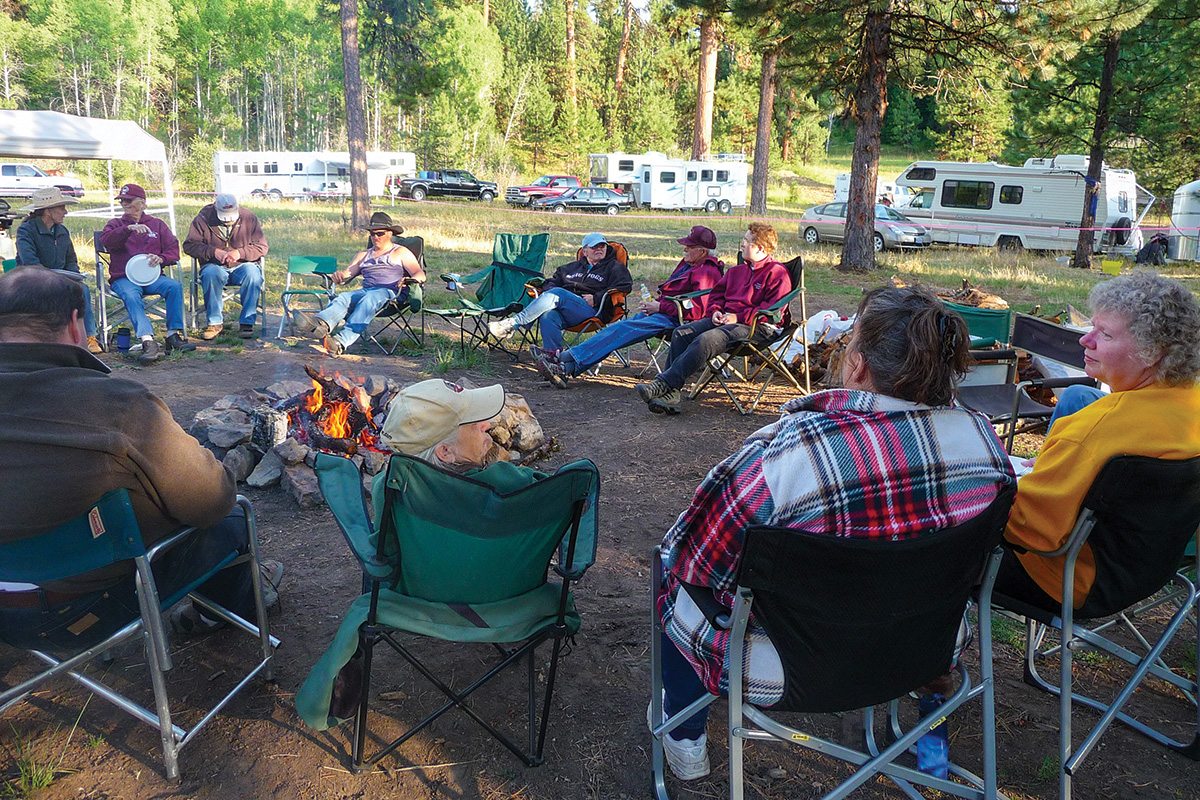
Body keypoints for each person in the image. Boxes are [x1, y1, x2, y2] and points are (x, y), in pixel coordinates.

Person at [653, 285, 1015, 781]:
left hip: (787, 668)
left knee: (669, 569)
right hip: (925, 645)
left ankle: (684, 733)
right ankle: (923, 738)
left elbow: (696, 559)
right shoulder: (984, 444)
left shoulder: (784, 461)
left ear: (859, 366)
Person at [0, 266, 282, 649]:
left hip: (6, 613)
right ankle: (216, 614)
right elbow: (211, 502)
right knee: (232, 518)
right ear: (74, 325)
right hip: (86, 608)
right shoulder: (118, 406)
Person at [998, 271, 1200, 611]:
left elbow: (1028, 530)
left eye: (1104, 334)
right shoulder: (1190, 406)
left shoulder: (1096, 429)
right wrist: (1062, 472)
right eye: (1091, 327)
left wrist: (984, 485)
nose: (1085, 340)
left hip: (1065, 581)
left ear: (1153, 352)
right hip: (1146, 574)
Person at [535, 225, 724, 388]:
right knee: (618, 331)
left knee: (621, 329)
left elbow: (697, 308)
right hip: (664, 312)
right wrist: (656, 304)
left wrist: (661, 307)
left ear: (702, 251)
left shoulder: (707, 271)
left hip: (678, 320)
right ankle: (566, 368)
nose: (684, 251)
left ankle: (563, 359)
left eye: (689, 247)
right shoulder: (689, 265)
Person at [635, 222, 791, 415]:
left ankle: (663, 384)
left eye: (746, 241)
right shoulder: (737, 271)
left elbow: (773, 310)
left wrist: (737, 316)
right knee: (682, 332)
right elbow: (717, 295)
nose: (741, 244)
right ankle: (671, 395)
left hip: (758, 327)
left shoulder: (777, 273)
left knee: (708, 338)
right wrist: (716, 311)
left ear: (760, 247)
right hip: (727, 320)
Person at [293, 211, 425, 356]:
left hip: (391, 293)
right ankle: (320, 324)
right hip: (367, 291)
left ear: (390, 233)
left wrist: (410, 280)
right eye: (372, 234)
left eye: (379, 233)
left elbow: (419, 274)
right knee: (343, 297)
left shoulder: (400, 252)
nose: (375, 237)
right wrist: (338, 276)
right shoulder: (363, 255)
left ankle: (340, 342)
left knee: (371, 298)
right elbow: (346, 274)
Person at [486, 232, 633, 352]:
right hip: (566, 310)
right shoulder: (568, 268)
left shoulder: (614, 267)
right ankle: (554, 359)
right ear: (585, 251)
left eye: (602, 246)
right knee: (548, 315)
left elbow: (625, 285)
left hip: (593, 310)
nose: (599, 249)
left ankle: (513, 323)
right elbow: (551, 283)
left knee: (558, 293)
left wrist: (597, 297)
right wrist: (552, 298)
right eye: (594, 247)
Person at [99, 183, 194, 365]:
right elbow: (107, 242)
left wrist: (161, 258)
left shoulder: (157, 225)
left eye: (129, 200)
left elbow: (173, 249)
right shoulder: (116, 224)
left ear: (142, 203)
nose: (124, 204)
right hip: (123, 277)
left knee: (174, 286)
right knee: (131, 295)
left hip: (152, 277)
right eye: (122, 201)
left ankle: (173, 335)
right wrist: (127, 230)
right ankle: (147, 340)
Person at [14, 187, 102, 354]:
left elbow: (71, 260)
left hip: (61, 278)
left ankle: (90, 337)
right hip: (31, 279)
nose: (66, 212)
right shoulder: (27, 230)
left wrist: (73, 275)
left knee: (81, 289)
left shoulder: (62, 231)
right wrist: (53, 278)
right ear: (48, 211)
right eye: (62, 208)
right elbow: (30, 262)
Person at [183, 193, 268, 340]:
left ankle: (247, 323)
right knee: (210, 274)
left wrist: (240, 253)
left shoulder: (249, 217)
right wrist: (213, 252)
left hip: (243, 265)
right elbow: (189, 246)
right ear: (215, 207)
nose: (228, 221)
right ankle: (215, 323)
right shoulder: (202, 219)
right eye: (224, 216)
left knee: (253, 275)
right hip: (214, 265)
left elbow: (261, 247)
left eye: (231, 216)